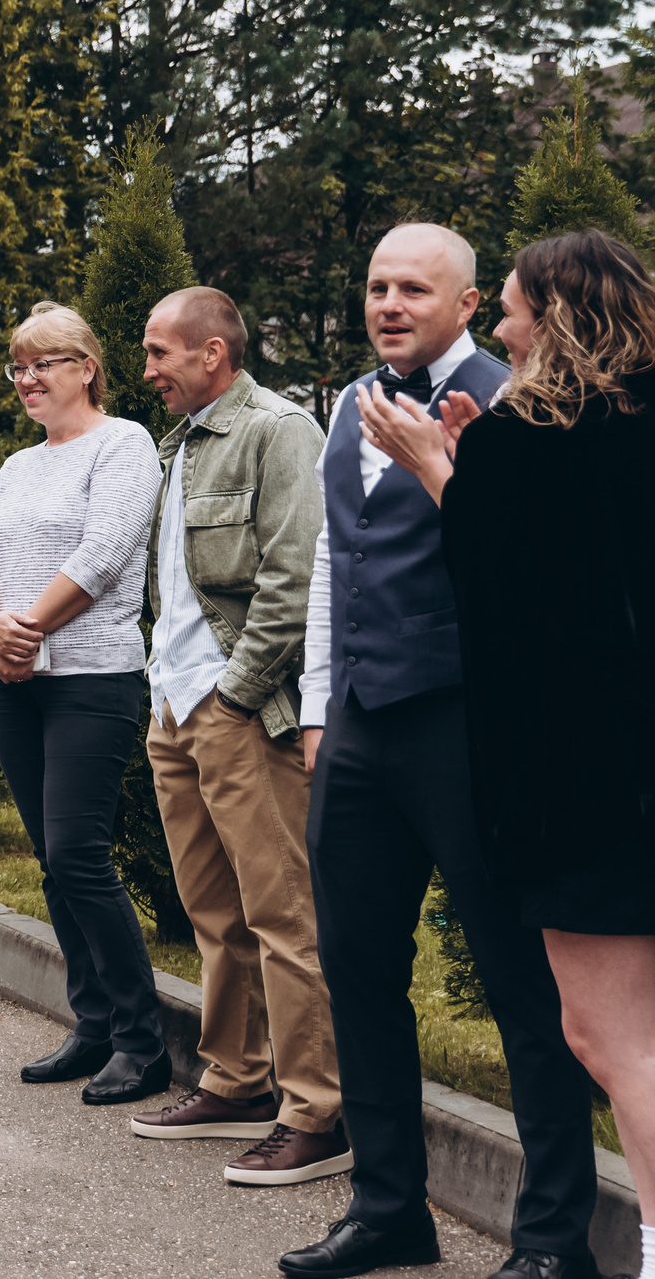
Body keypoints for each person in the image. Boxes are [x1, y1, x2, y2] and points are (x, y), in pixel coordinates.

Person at [277, 224, 603, 1279]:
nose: (389, 302)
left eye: (413, 287)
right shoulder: (344, 403)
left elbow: (531, 578)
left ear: (467, 304)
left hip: (470, 724)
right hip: (362, 722)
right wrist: (321, 706)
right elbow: (338, 558)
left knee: (520, 980)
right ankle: (387, 1208)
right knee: (357, 964)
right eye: (375, 284)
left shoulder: (517, 404)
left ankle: (553, 1238)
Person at [409, 229, 655, 1279]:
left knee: (611, 1037)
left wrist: (440, 471)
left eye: (507, 308)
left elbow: (499, 598)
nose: (499, 327)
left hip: (581, 785)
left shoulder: (526, 436)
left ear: (550, 317)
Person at [132, 287, 348, 1185]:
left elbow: (293, 577)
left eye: (158, 353)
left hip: (238, 712)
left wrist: (231, 695)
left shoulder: (278, 428)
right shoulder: (178, 440)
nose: (147, 370)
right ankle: (237, 1078)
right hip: (174, 708)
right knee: (215, 912)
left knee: (282, 913)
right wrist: (171, 696)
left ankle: (318, 1110)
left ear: (212, 353)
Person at [0, 303, 170, 1106]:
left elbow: (106, 553)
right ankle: (92, 1024)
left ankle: (141, 1041)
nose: (27, 378)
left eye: (44, 362)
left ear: (87, 366)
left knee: (81, 853)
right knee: (52, 858)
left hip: (90, 678)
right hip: (10, 680)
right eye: (18, 366)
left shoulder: (124, 445)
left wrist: (29, 631)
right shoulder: (18, 464)